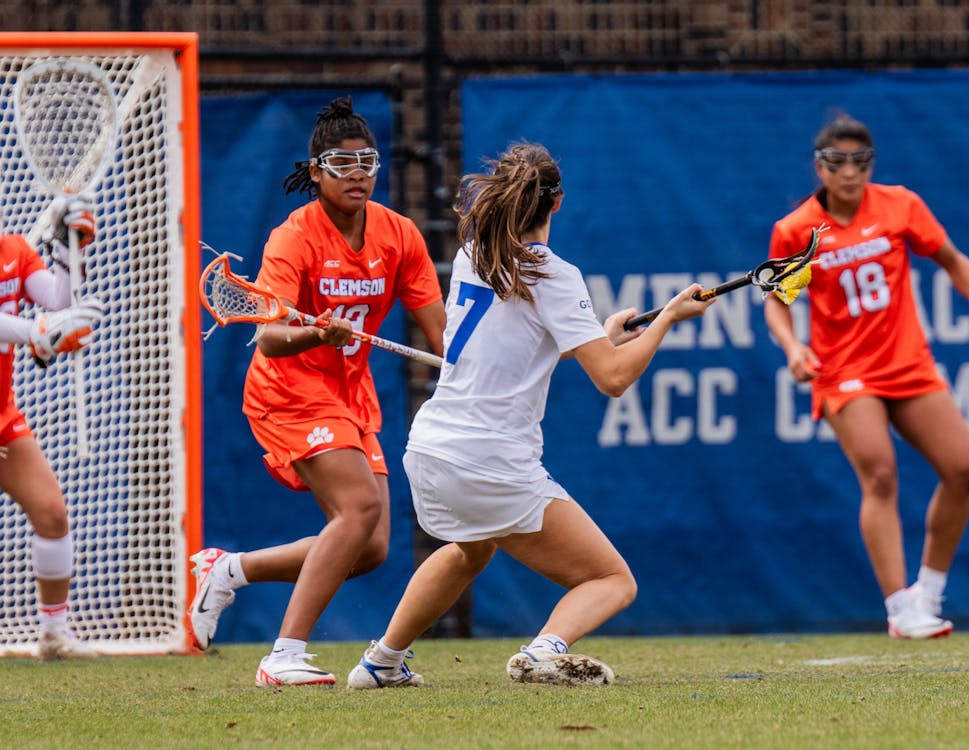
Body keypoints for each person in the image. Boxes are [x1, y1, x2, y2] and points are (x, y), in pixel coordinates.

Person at [345, 141, 714, 689]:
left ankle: (380, 663)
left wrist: (599, 336)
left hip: (430, 449)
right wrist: (669, 320)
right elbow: (612, 379)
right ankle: (544, 652)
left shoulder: (476, 253)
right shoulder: (553, 273)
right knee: (612, 579)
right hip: (489, 458)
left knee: (470, 551)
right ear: (557, 203)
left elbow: (526, 341)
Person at [187, 97, 445, 687]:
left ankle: (228, 570)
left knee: (371, 545)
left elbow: (441, 333)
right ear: (316, 171)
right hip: (287, 390)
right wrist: (316, 331)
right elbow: (271, 340)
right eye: (341, 162)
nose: (358, 172)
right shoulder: (294, 238)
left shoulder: (398, 235)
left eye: (368, 161)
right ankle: (283, 655)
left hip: (350, 393)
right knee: (357, 509)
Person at [763, 114, 969, 640]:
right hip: (846, 371)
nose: (850, 174)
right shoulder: (798, 230)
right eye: (838, 163)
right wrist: (793, 347)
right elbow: (778, 304)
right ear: (820, 168)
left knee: (962, 469)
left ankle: (928, 595)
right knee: (881, 474)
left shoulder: (900, 205)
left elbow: (952, 260)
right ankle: (899, 607)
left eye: (860, 162)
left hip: (908, 362)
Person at [0, 196, 106, 660]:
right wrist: (38, 331)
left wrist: (69, 249)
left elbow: (58, 302)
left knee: (52, 514)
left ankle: (53, 634)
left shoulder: (14, 250)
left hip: (3, 416)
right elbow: (41, 324)